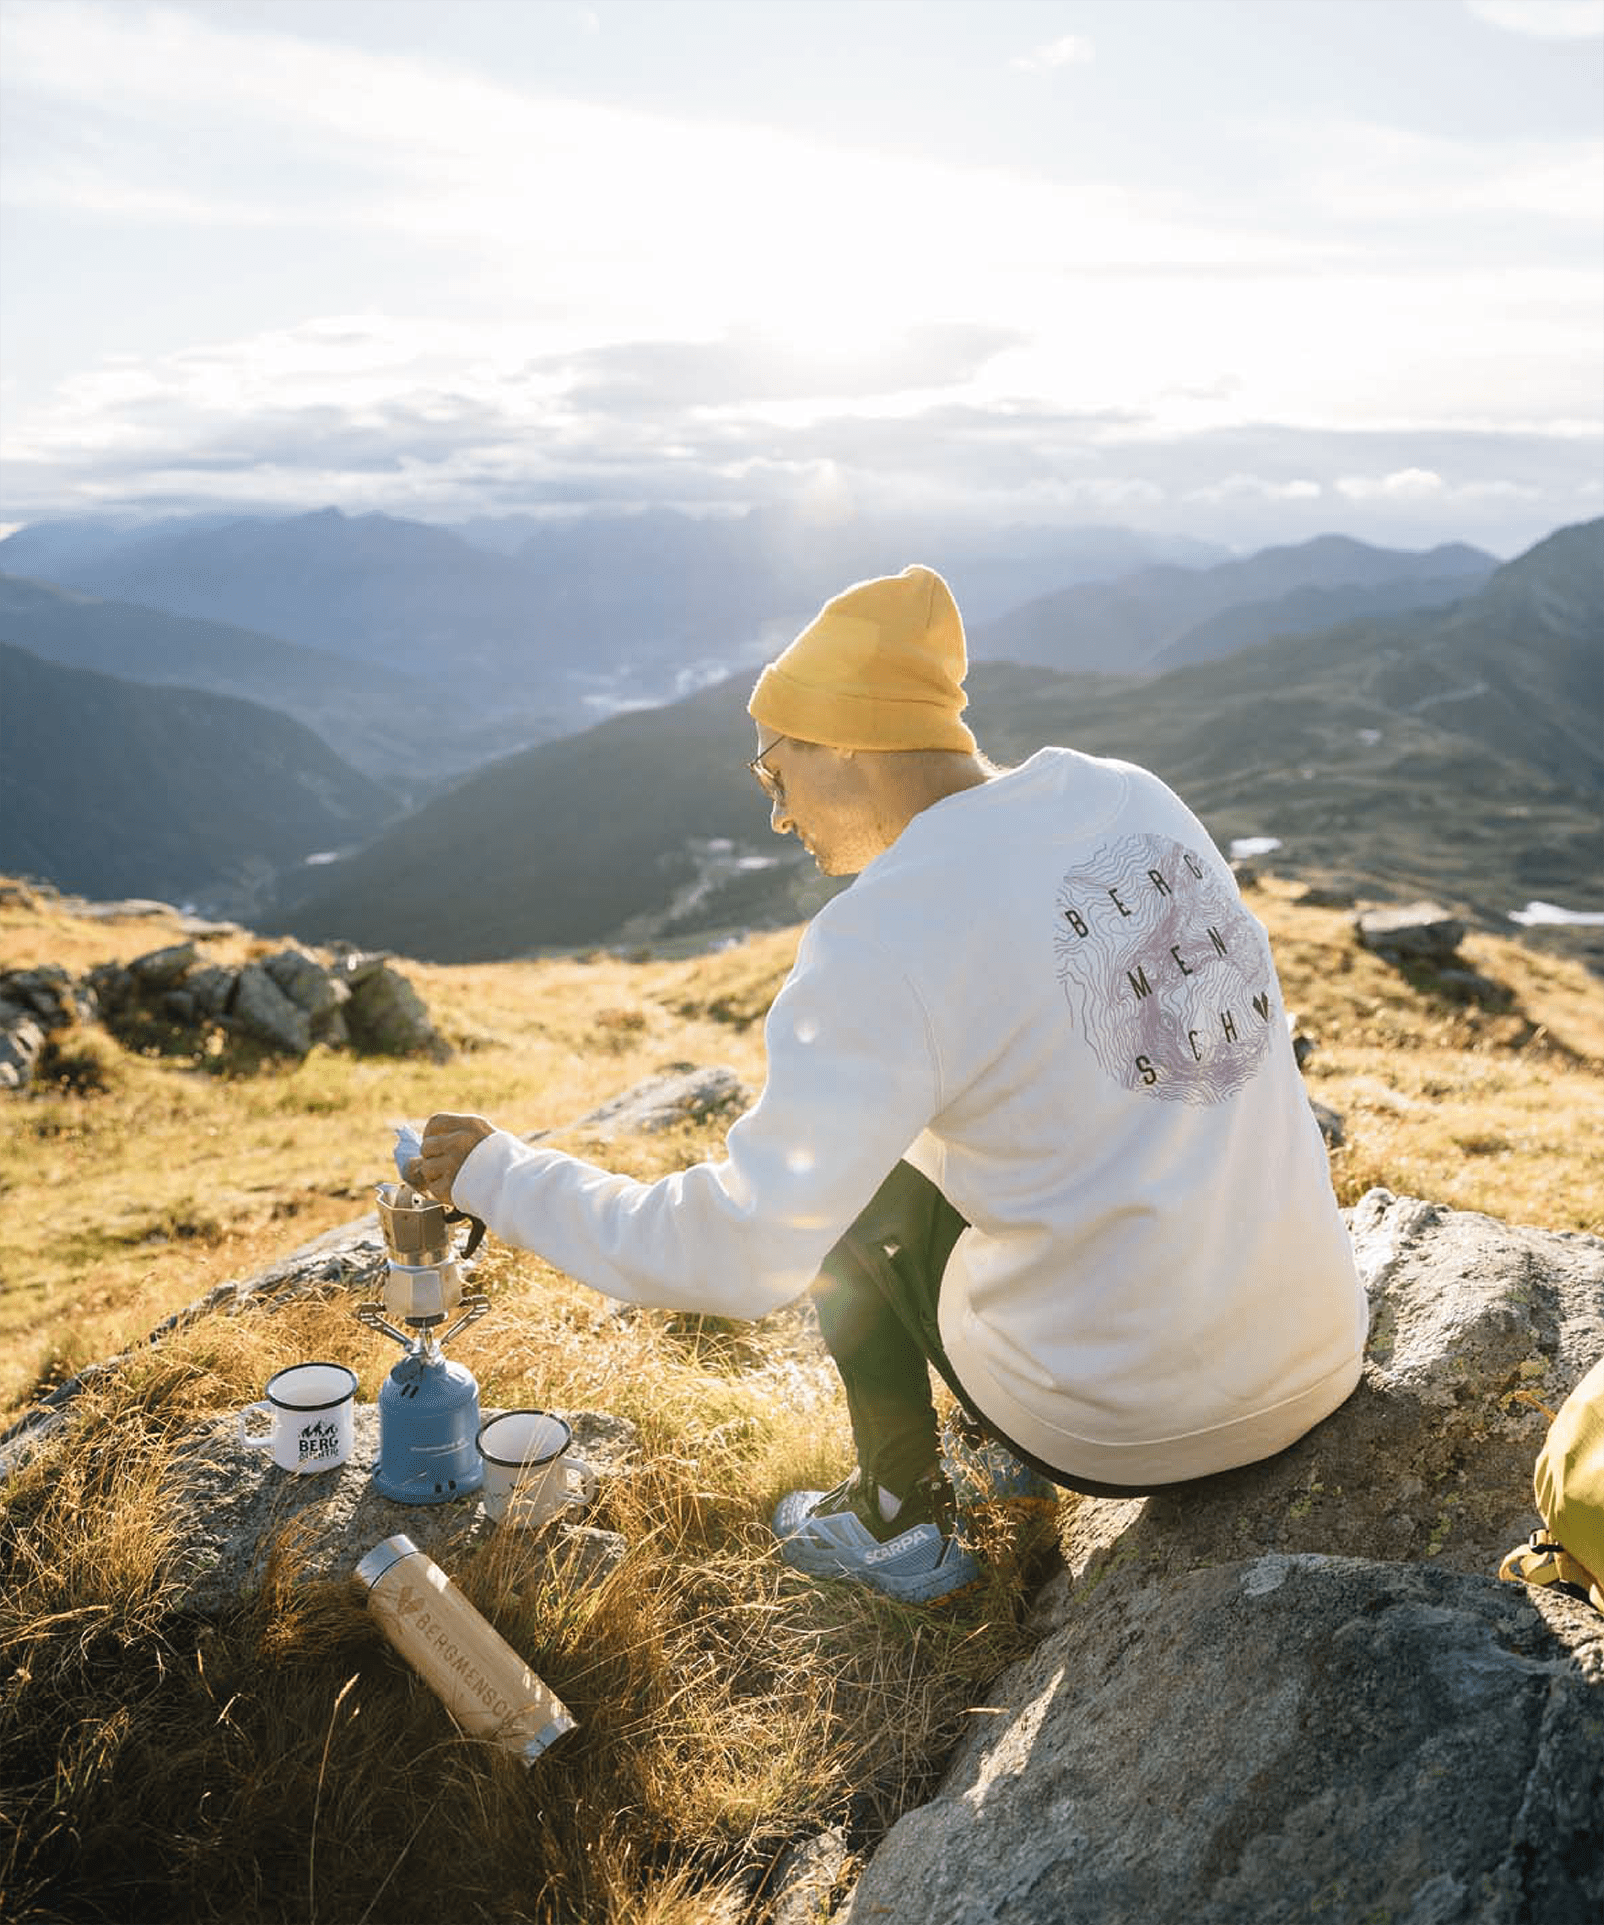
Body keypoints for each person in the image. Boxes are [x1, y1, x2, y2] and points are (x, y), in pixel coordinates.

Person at [416, 564, 1368, 1605]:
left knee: (855, 1183)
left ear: (844, 745)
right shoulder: (1129, 793)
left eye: (773, 774)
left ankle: (895, 1518)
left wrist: (501, 1178)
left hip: (1127, 1423)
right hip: (1316, 1348)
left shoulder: (882, 934)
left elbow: (737, 1251)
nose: (777, 815)